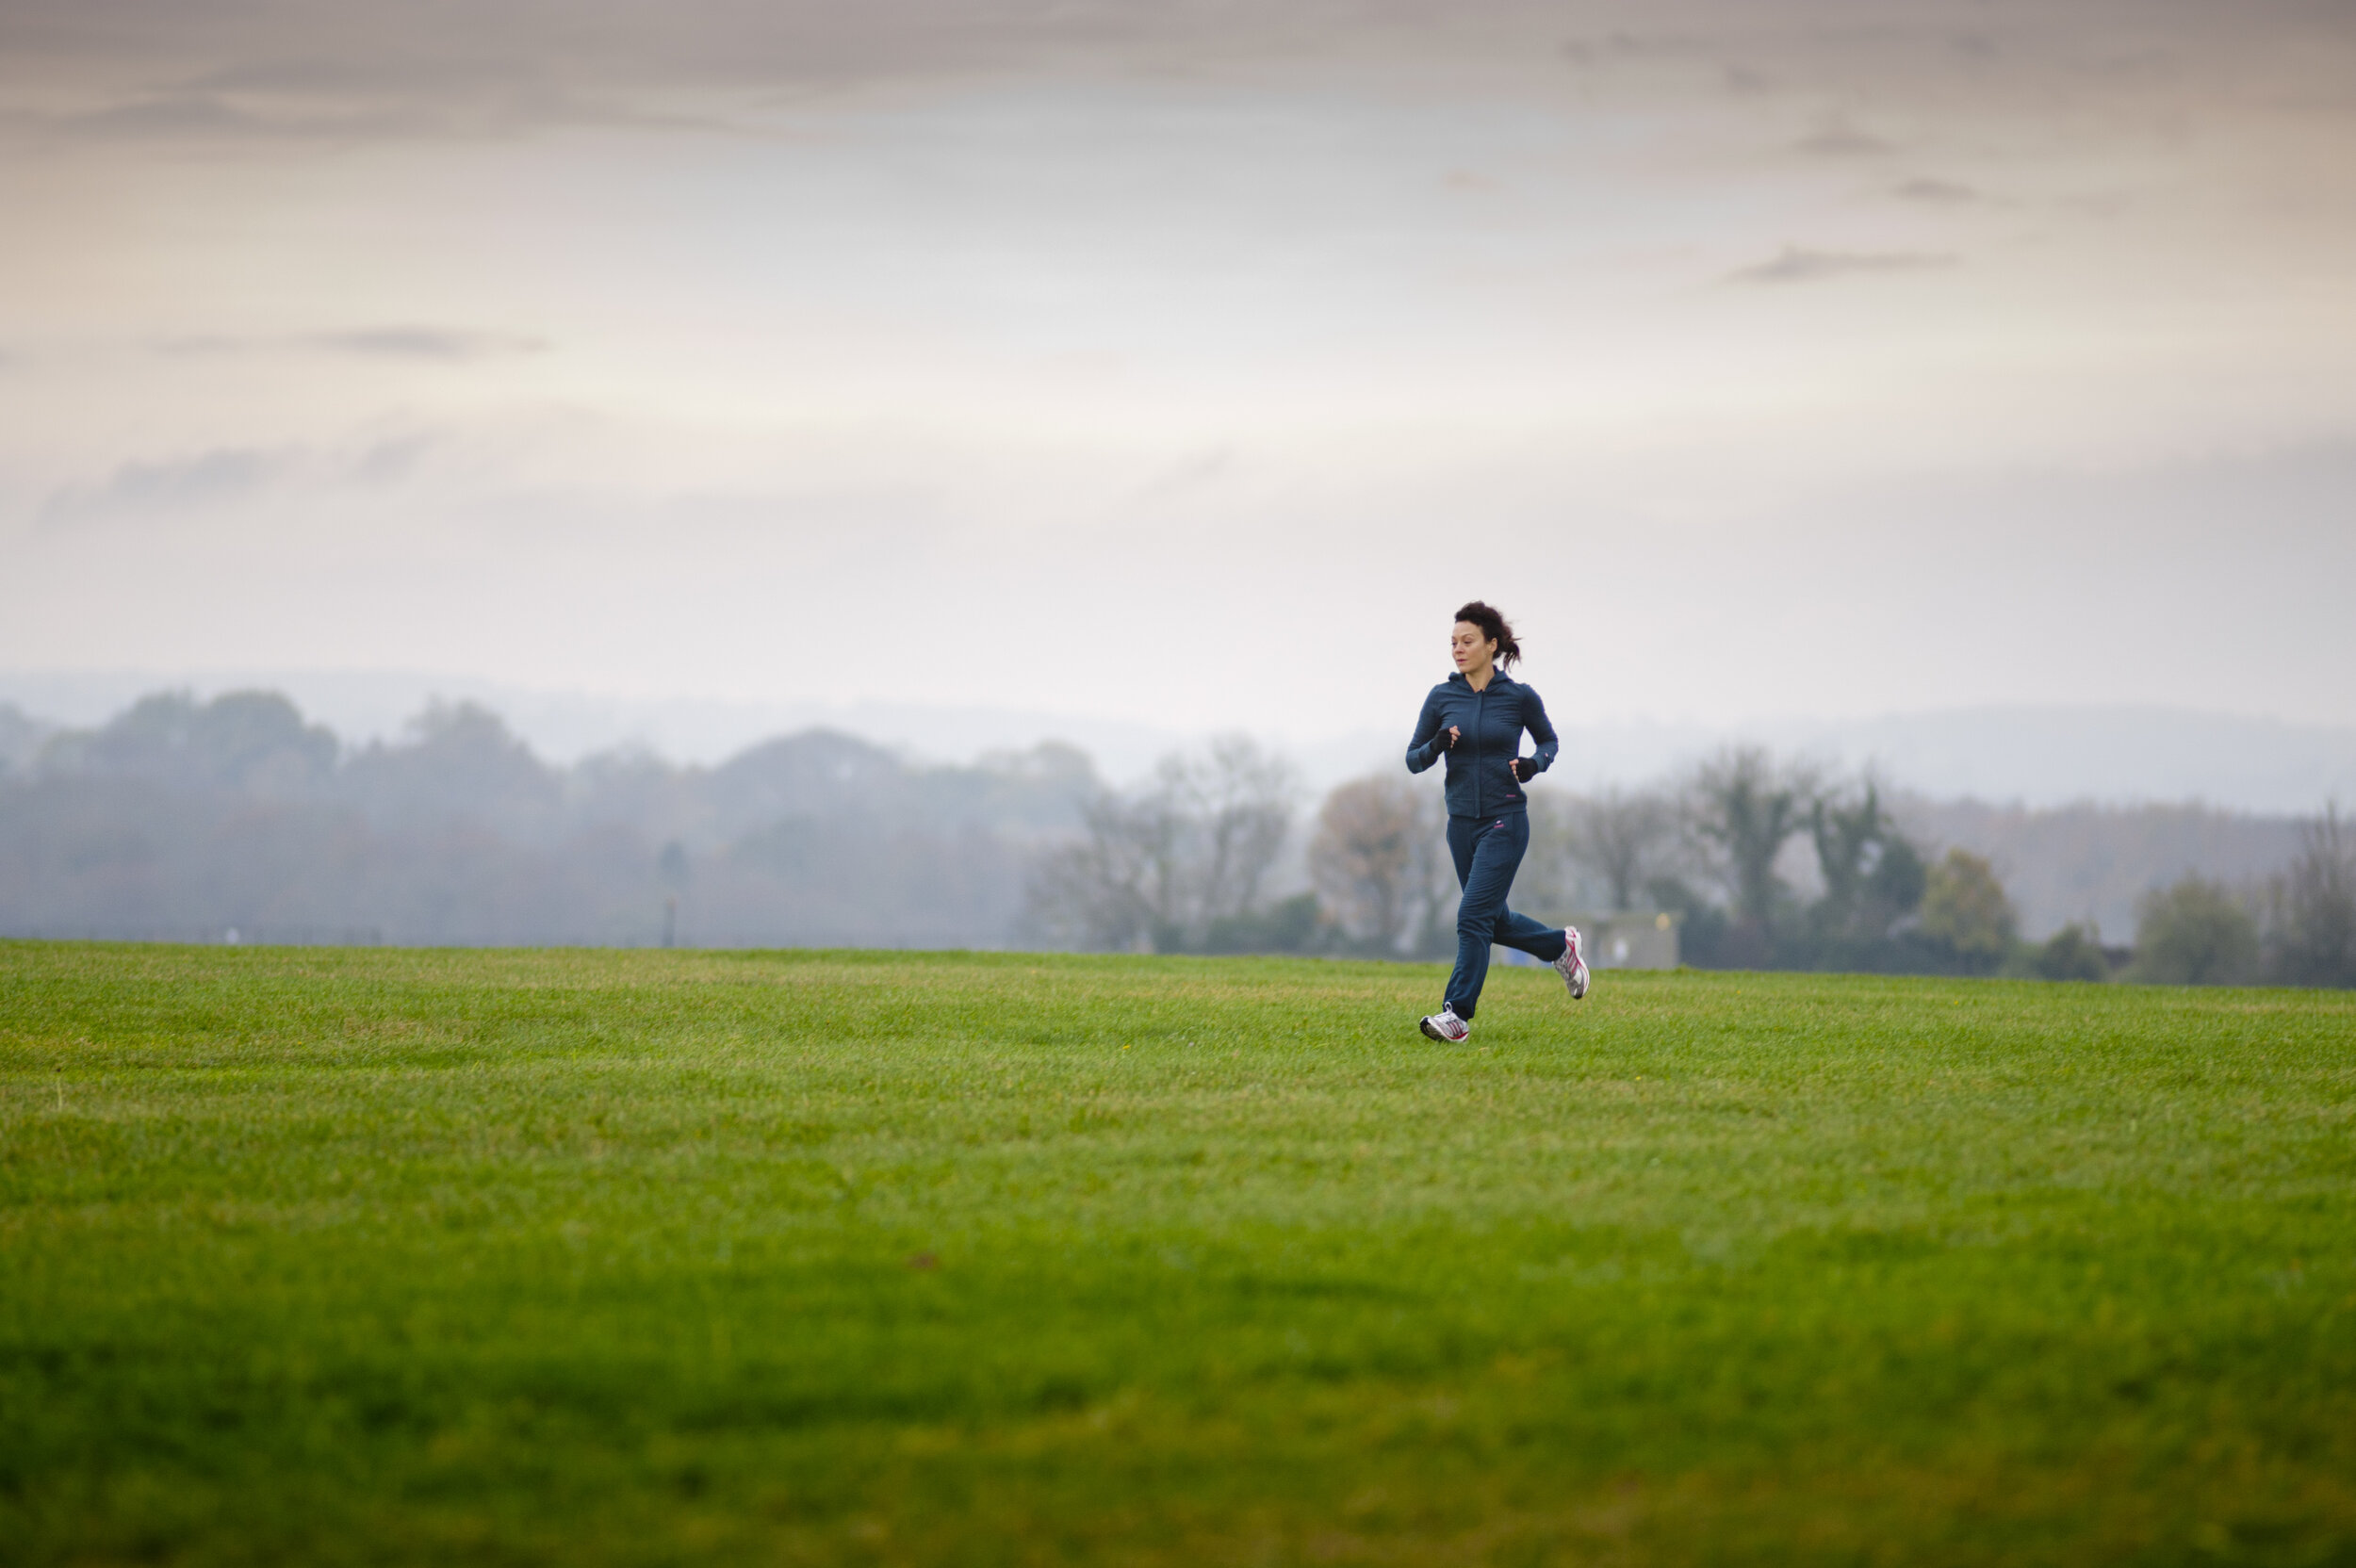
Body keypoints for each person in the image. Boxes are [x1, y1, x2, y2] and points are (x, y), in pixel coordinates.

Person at [1404, 601, 1588, 1041]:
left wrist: (1533, 765)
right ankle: (1559, 946)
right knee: (1492, 919)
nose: (1458, 650)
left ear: (1491, 644)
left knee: (1471, 917)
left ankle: (1457, 1015)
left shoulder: (1519, 696)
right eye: (1453, 643)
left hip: (1506, 820)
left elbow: (1549, 740)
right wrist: (1436, 745)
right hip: (1461, 824)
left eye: (1467, 641)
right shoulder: (1441, 697)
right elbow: (1413, 760)